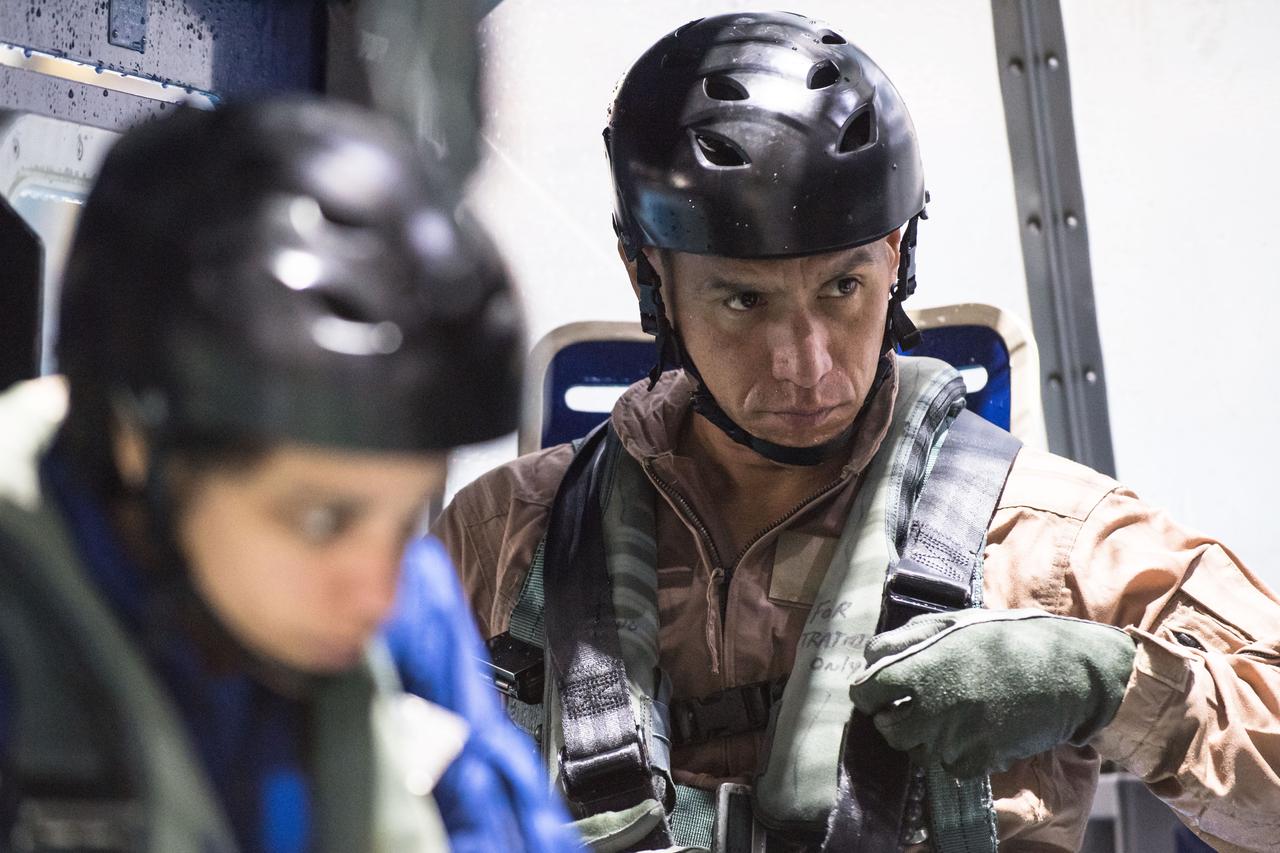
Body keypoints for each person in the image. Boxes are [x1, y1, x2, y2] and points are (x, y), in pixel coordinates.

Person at [434, 11, 1280, 852]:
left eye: (843, 288)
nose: (806, 365)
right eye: (744, 300)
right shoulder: (505, 538)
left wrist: (1113, 688)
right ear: (648, 275)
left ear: (897, 255)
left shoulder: (1043, 542)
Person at [0, 97, 579, 852]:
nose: (375, 592)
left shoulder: (407, 597)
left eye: (404, 517)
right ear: (140, 444)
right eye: (319, 518)